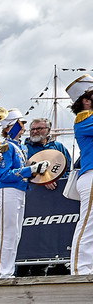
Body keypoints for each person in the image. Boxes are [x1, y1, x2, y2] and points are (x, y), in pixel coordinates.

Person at [0, 112, 33, 280]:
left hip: (18, 191)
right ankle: (3, 273)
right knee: (8, 233)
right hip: (7, 191)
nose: (23, 128)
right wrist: (30, 170)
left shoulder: (21, 147)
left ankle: (7, 271)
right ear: (10, 127)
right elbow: (3, 175)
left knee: (15, 234)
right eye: (20, 124)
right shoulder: (5, 145)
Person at [68, 75, 93, 276]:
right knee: (87, 224)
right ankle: (80, 270)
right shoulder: (83, 119)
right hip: (91, 175)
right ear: (86, 100)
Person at [26, 117, 75, 193]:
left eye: (39, 128)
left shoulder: (58, 147)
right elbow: (23, 171)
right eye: (32, 129)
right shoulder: (25, 149)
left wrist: (58, 180)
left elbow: (69, 169)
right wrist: (44, 180)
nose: (35, 131)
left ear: (48, 130)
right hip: (34, 191)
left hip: (59, 189)